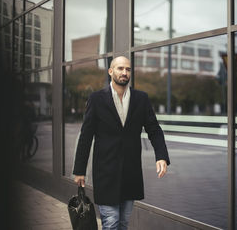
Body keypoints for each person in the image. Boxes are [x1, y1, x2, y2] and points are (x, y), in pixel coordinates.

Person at [73, 56, 170, 230]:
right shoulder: (96, 99)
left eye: (128, 69)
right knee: (111, 223)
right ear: (111, 71)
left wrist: (161, 156)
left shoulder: (141, 99)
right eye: (120, 68)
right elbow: (85, 136)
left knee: (123, 224)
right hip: (106, 173)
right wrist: (79, 170)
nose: (124, 72)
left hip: (130, 173)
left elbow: (154, 129)